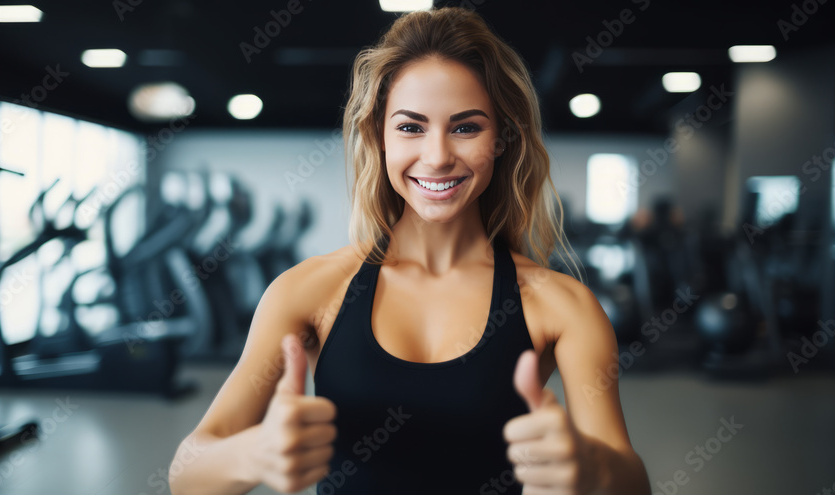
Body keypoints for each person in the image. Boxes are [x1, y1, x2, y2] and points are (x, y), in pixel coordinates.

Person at [169, 6, 650, 495]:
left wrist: (592, 468)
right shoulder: (308, 291)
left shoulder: (561, 306)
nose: (437, 156)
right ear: (378, 135)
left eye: (466, 127)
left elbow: (632, 481)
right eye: (410, 127)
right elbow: (187, 475)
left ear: (503, 139)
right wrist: (253, 454)